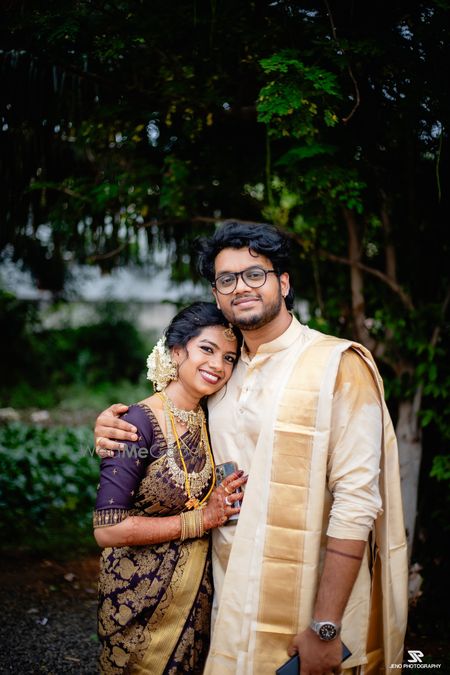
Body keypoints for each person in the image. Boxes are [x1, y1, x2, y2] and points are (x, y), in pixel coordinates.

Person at [95, 222, 408, 675]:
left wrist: (325, 625)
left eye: (255, 274)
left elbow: (356, 501)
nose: (240, 286)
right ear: (217, 295)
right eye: (227, 279)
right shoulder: (222, 370)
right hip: (225, 603)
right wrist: (113, 427)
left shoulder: (336, 365)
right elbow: (168, 421)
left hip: (307, 603)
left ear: (284, 282)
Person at [92, 301, 247, 674]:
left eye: (229, 358)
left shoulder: (213, 416)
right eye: (207, 349)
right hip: (138, 599)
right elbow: (108, 529)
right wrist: (200, 520)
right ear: (176, 351)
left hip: (197, 597)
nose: (218, 365)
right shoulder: (136, 423)